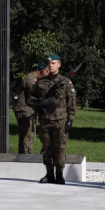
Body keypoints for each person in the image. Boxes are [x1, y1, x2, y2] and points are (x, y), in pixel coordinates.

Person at [33, 54, 76, 184]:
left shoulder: (66, 82)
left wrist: (70, 119)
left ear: (59, 65)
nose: (50, 65)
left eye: (53, 63)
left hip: (60, 120)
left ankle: (59, 174)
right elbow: (30, 98)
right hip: (45, 119)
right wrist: (38, 101)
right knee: (47, 147)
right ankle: (49, 174)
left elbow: (71, 102)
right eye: (49, 63)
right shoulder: (41, 82)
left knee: (60, 147)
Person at [14, 63, 48, 154]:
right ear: (39, 71)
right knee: (27, 135)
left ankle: (25, 155)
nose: (47, 73)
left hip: (28, 110)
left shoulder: (34, 79)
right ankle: (26, 156)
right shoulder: (31, 80)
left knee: (27, 134)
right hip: (24, 110)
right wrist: (39, 101)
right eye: (46, 71)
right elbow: (30, 98)